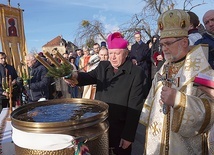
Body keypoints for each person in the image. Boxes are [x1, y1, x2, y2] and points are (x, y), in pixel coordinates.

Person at [140, 9, 214, 155]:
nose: (163, 49)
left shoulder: (202, 72)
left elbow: (211, 112)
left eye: (168, 43)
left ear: (185, 42)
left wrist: (179, 101)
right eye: (162, 44)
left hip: (183, 146)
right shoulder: (162, 71)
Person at [64, 32, 148, 155]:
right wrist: (73, 76)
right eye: (111, 53)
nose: (113, 57)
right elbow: (87, 77)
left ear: (125, 53)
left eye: (117, 53)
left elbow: (134, 107)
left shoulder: (136, 73)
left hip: (120, 128)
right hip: (100, 126)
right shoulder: (103, 66)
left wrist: (128, 135)